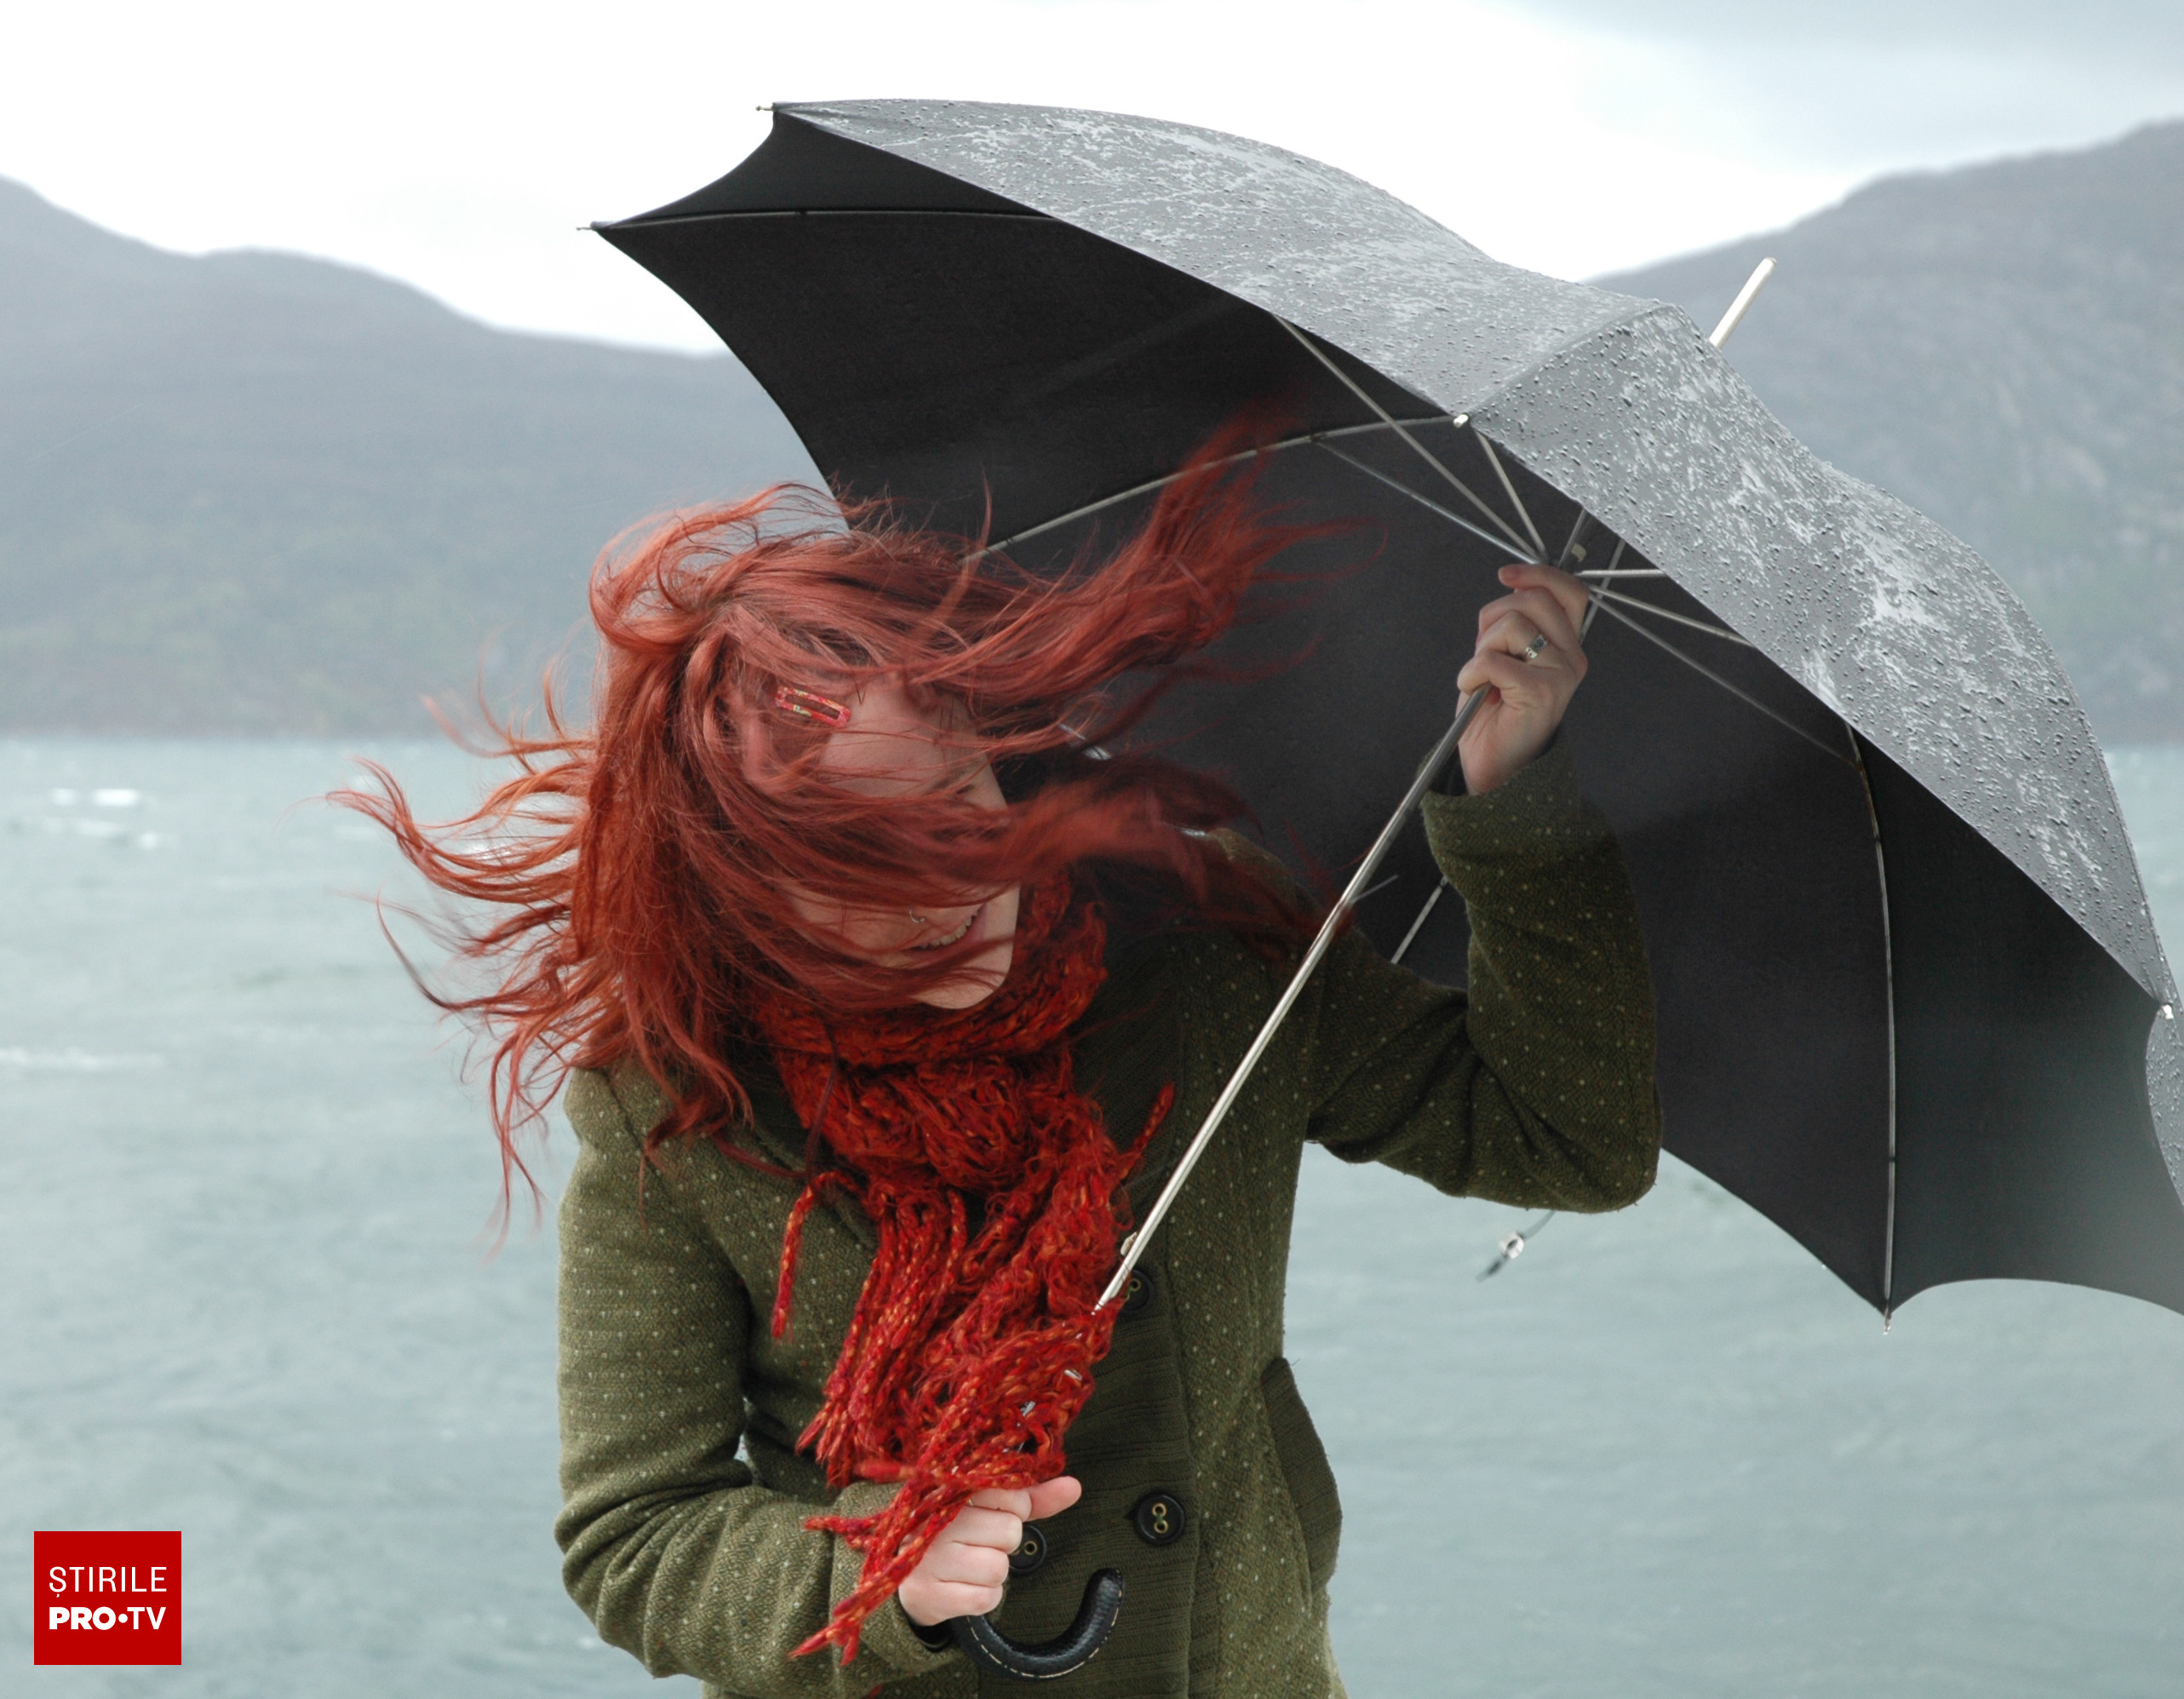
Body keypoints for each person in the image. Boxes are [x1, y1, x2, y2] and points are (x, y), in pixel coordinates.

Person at [346, 446, 1659, 1699]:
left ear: (984, 743)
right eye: (861, 866)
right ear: (742, 878)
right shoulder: (678, 1096)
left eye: (954, 824)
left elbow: (1566, 1142)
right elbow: (634, 1537)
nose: (936, 897)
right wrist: (878, 1569)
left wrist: (1515, 804)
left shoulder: (1199, 939)